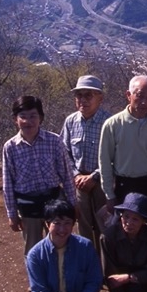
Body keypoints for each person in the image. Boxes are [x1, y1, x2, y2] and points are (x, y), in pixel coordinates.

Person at [99, 75, 147, 238]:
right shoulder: (113, 125)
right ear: (128, 95)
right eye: (139, 95)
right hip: (125, 185)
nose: (144, 102)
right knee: (125, 233)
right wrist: (109, 195)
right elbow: (104, 163)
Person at [2, 95, 75, 256]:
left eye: (33, 116)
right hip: (28, 206)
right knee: (33, 250)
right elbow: (8, 183)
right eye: (23, 117)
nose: (28, 121)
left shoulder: (54, 141)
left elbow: (66, 174)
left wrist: (72, 204)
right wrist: (12, 214)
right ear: (15, 119)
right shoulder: (10, 147)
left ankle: (64, 278)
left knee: (62, 244)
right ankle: (38, 281)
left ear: (40, 118)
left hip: (55, 201)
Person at [26, 199, 105, 292]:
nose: (62, 229)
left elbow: (94, 280)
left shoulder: (85, 247)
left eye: (67, 223)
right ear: (47, 224)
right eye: (57, 223)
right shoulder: (35, 255)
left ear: (73, 224)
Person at [60, 75, 111, 252]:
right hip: (79, 183)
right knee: (84, 227)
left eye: (88, 95)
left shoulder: (109, 122)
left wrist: (94, 176)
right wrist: (76, 175)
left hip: (103, 182)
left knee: (107, 227)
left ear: (100, 98)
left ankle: (109, 272)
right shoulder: (70, 122)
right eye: (79, 96)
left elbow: (116, 155)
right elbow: (64, 152)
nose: (83, 100)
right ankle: (89, 271)